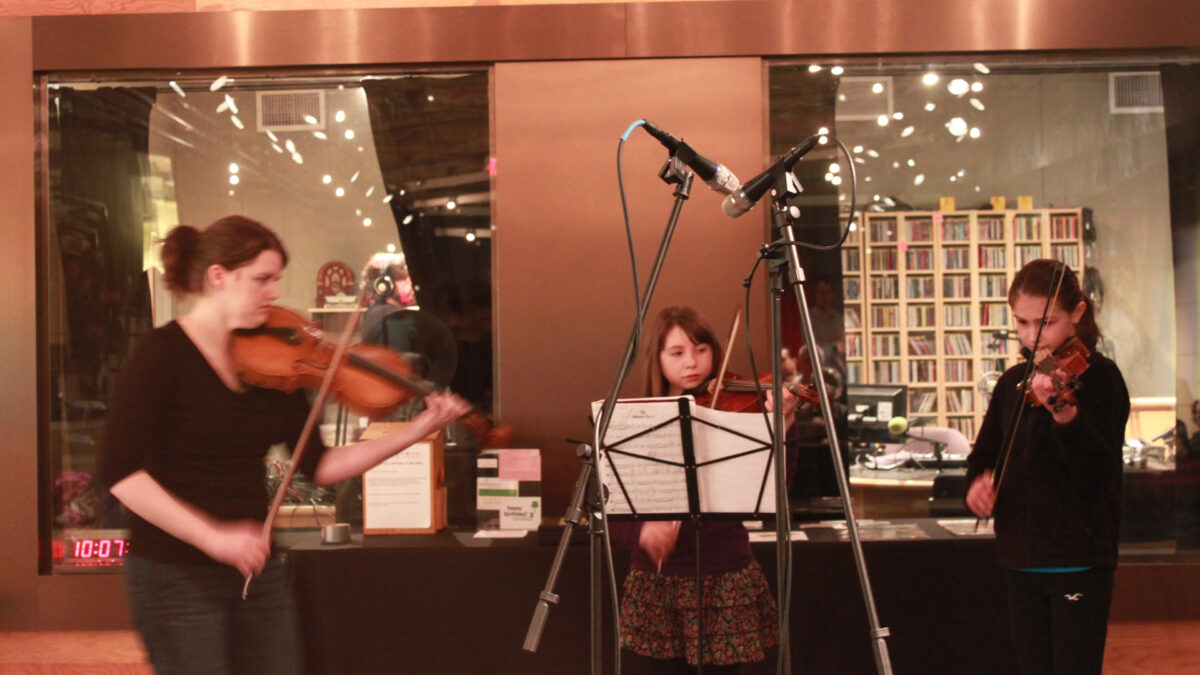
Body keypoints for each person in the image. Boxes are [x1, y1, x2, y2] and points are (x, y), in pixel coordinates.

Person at [99, 216, 469, 674]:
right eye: (261, 279)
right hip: (175, 575)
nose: (274, 292)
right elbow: (119, 474)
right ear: (218, 276)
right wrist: (214, 538)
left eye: (275, 279)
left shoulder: (277, 364)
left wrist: (415, 432)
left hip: (257, 571)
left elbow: (322, 465)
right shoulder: (162, 354)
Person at [611, 305, 798, 674]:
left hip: (724, 574)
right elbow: (595, 502)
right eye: (677, 353)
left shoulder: (734, 412)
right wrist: (642, 530)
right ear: (658, 358)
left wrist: (785, 425)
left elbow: (777, 491)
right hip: (657, 583)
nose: (692, 363)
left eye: (701, 350)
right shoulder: (636, 419)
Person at [965, 259, 1129, 674]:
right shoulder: (1013, 382)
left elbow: (1100, 470)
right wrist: (978, 484)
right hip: (1020, 556)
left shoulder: (1100, 378)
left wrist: (1065, 414)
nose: (1031, 335)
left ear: (1077, 314)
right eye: (1021, 322)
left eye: (1046, 321)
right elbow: (984, 454)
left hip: (1077, 557)